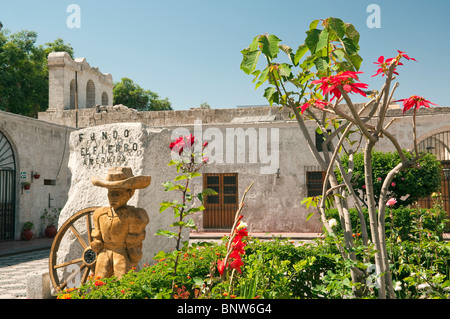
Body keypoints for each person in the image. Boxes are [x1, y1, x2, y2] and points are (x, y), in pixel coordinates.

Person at [89, 167, 151, 278]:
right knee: (99, 282)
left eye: (117, 194)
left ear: (129, 194)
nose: (113, 198)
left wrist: (134, 253)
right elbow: (97, 237)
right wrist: (96, 243)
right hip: (104, 254)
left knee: (123, 284)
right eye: (111, 194)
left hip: (122, 256)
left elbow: (134, 242)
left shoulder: (135, 216)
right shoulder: (99, 214)